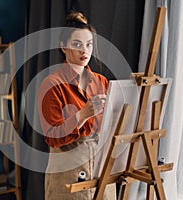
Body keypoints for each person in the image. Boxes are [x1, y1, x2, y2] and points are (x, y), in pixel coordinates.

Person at [37, 11, 116, 200]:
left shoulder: (101, 82)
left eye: (88, 45)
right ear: (63, 46)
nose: (84, 51)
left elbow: (111, 124)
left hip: (100, 168)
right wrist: (83, 115)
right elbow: (53, 136)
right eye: (77, 44)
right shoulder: (51, 84)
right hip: (66, 171)